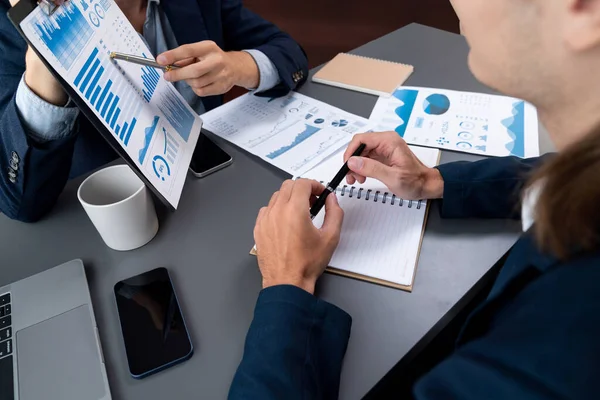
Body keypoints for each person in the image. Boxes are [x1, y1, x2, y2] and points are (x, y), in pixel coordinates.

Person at [229, 0, 600, 398]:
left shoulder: (540, 365)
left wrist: (289, 284)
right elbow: (568, 172)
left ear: (583, 9)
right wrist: (432, 181)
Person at [0, 0, 308, 222]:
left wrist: (238, 66)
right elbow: (22, 203)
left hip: (222, 186)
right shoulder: (8, 30)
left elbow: (289, 52)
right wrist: (43, 62)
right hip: (118, 222)